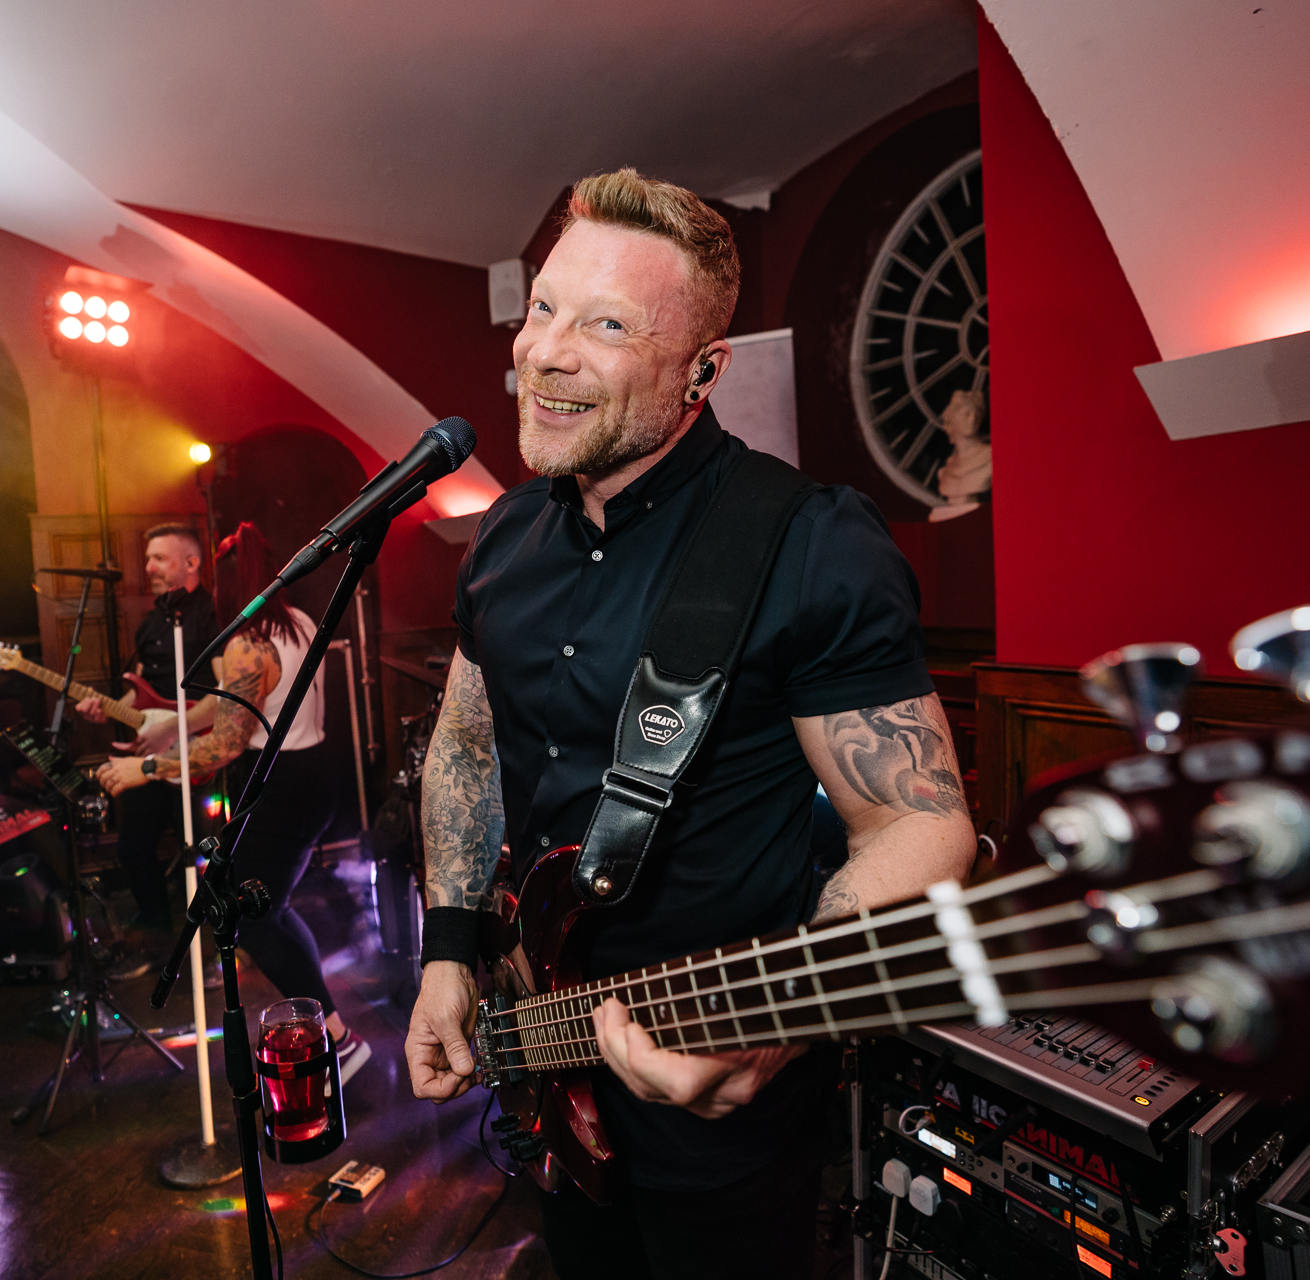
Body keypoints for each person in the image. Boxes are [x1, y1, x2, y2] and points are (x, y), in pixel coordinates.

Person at [404, 169, 977, 1278]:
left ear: (704, 371)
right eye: (545, 309)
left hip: (718, 1089)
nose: (546, 352)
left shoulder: (810, 544)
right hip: (546, 1047)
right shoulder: (502, 537)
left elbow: (922, 824)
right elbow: (468, 744)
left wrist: (786, 1014)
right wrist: (452, 947)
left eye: (608, 325)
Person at [96, 522, 371, 1083]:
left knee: (255, 915)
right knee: (266, 906)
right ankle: (332, 1030)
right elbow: (237, 711)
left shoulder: (247, 643)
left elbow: (224, 743)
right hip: (310, 775)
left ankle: (340, 1041)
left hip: (283, 788)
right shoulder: (295, 622)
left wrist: (143, 767)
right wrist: (172, 725)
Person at [76, 523, 223, 979]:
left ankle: (218, 955)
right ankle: (158, 944)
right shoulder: (151, 622)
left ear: (191, 563)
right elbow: (137, 696)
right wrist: (106, 710)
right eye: (149, 558)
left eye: (159, 558)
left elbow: (226, 696)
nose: (148, 567)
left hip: (197, 753)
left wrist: (174, 728)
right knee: (134, 847)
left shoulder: (211, 616)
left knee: (207, 854)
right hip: (150, 758)